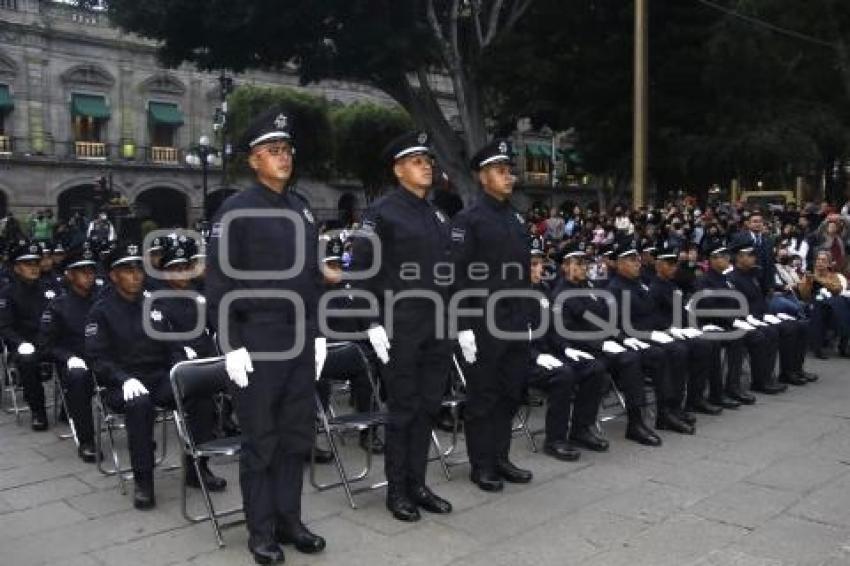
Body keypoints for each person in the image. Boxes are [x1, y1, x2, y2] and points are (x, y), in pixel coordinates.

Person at [206, 107, 326, 563]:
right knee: (262, 441)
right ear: (253, 160)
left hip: (298, 339)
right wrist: (230, 345)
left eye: (287, 150)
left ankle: (290, 520)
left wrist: (316, 335)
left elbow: (311, 280)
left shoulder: (301, 207)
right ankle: (261, 532)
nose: (284, 157)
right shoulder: (235, 210)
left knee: (296, 436)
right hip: (257, 341)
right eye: (273, 151)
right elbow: (219, 285)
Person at [349, 131, 453, 522]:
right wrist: (372, 322)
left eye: (427, 159)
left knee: (427, 408)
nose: (426, 165)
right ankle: (397, 491)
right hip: (400, 328)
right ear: (398, 170)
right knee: (403, 411)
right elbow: (359, 272)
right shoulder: (381, 213)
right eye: (415, 160)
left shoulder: (438, 214)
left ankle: (418, 484)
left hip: (437, 326)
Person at [86, 242, 226, 511]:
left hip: (157, 377)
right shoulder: (101, 311)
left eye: (139, 268)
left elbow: (171, 345)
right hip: (123, 384)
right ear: (113, 276)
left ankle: (198, 468)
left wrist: (179, 369)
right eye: (127, 270)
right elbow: (97, 358)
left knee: (200, 393)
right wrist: (122, 378)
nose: (136, 275)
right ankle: (144, 481)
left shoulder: (154, 305)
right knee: (140, 405)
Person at [451, 138, 535, 492]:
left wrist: (530, 318)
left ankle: (501, 457)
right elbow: (455, 276)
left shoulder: (515, 217)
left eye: (508, 170)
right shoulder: (468, 219)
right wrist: (463, 327)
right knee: (483, 396)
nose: (508, 176)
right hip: (483, 322)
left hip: (515, 319)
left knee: (510, 392)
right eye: (500, 171)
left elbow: (522, 270)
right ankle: (481, 464)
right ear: (482, 177)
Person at [550, 242, 662, 446]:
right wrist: (600, 344)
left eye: (585, 263)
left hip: (601, 344)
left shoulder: (590, 287)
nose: (584, 267)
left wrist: (622, 338)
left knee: (632, 356)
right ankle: (582, 428)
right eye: (578, 263)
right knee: (604, 366)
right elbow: (566, 332)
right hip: (580, 349)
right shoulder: (560, 294)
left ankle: (636, 421)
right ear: (565, 267)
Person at [526, 236, 608, 461]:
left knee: (594, 367)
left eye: (540, 263)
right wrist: (535, 355)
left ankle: (581, 428)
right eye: (532, 264)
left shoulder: (543, 289)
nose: (538, 268)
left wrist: (566, 348)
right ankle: (555, 439)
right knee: (563, 375)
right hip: (522, 359)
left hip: (549, 354)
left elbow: (553, 329)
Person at [38, 246, 100, 461]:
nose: (88, 275)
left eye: (91, 270)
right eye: (82, 271)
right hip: (76, 364)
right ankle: (87, 440)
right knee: (78, 377)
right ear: (70, 274)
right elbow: (46, 345)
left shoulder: (103, 300)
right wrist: (68, 358)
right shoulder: (58, 306)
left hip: (105, 361)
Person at [727, 236, 815, 387]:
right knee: (769, 332)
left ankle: (791, 370)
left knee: (800, 326)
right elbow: (736, 307)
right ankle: (762, 379)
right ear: (739, 258)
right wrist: (757, 319)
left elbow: (760, 301)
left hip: (760, 316)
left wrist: (771, 315)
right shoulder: (732, 278)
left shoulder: (752, 275)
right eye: (750, 255)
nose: (754, 258)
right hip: (746, 320)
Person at [0, 240, 53, 430]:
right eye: (27, 264)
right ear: (17, 268)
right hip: (25, 344)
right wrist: (21, 343)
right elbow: (5, 327)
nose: (33, 268)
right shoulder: (8, 293)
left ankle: (69, 409)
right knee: (28, 360)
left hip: (50, 342)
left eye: (36, 263)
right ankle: (38, 411)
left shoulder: (50, 288)